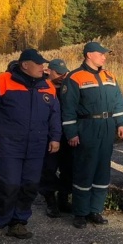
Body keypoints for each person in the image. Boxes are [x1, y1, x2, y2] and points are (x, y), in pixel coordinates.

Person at [0, 49, 61, 243]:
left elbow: (55, 115)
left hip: (36, 146)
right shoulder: (2, 81)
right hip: (8, 145)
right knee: (9, 185)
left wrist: (55, 138)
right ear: (25, 65)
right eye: (39, 64)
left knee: (30, 185)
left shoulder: (47, 86)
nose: (44, 67)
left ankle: (18, 222)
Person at [61, 41, 123, 229]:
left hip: (107, 126)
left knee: (102, 170)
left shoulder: (110, 76)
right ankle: (80, 212)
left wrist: (121, 123)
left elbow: (117, 103)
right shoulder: (75, 78)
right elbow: (68, 109)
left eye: (105, 54)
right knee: (84, 169)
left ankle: (95, 210)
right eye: (101, 54)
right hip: (87, 126)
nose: (104, 57)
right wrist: (71, 133)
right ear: (89, 55)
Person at [39, 58, 73, 217]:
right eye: (58, 73)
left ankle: (64, 198)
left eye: (64, 73)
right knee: (49, 169)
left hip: (67, 134)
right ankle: (50, 200)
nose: (62, 76)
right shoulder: (42, 87)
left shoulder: (69, 86)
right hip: (48, 135)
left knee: (68, 168)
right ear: (48, 71)